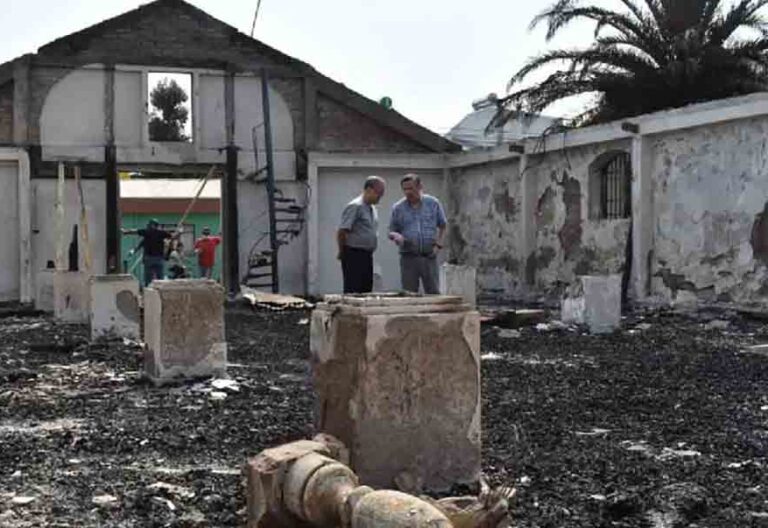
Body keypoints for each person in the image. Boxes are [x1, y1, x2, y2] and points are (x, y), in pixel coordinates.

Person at [388, 174, 447, 294]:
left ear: (420, 186)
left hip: (429, 256)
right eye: (405, 189)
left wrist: (438, 245)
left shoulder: (433, 203)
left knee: (433, 292)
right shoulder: (398, 208)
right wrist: (396, 236)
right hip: (409, 257)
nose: (408, 192)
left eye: (411, 188)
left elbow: (443, 225)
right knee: (409, 294)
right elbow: (391, 230)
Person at [337, 176, 386, 293]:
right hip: (354, 253)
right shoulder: (355, 206)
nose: (380, 197)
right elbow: (342, 231)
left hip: (367, 254)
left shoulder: (372, 208)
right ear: (369, 190)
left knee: (366, 288)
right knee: (353, 287)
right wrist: (342, 251)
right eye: (378, 193)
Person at [122, 219, 174, 286]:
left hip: (149, 259)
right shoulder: (162, 233)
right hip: (159, 259)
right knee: (160, 279)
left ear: (152, 225)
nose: (148, 226)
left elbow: (136, 232)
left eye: (149, 225)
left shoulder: (147, 233)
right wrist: (179, 232)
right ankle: (160, 292)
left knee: (148, 280)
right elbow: (172, 236)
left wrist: (125, 232)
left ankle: (148, 291)